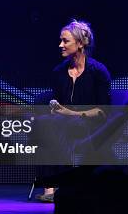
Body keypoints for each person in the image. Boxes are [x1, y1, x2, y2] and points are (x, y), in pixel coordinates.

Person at [35, 19, 111, 202]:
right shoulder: (59, 72)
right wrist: (56, 111)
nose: (60, 45)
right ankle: (51, 187)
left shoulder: (98, 71)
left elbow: (104, 112)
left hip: (92, 124)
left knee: (61, 126)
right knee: (44, 123)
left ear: (81, 43)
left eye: (65, 41)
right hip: (63, 122)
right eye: (61, 40)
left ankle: (66, 184)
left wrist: (71, 114)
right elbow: (58, 106)